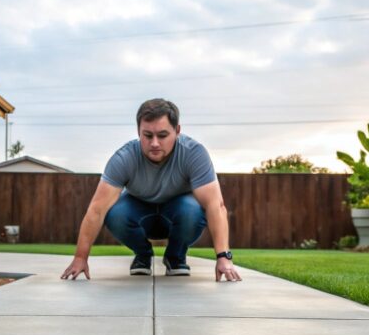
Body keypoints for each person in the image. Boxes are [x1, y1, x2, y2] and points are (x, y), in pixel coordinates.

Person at [61, 98, 242, 282]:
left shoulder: (193, 153)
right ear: (138, 132)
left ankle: (175, 257)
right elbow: (96, 209)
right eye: (147, 135)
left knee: (193, 210)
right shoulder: (124, 158)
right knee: (114, 212)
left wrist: (223, 257)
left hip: (178, 211)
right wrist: (80, 258)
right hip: (138, 211)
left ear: (177, 131)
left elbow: (215, 205)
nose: (154, 143)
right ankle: (143, 255)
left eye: (162, 135)